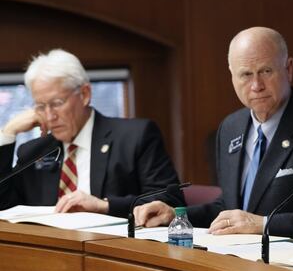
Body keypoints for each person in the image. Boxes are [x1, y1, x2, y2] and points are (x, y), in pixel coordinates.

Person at [134, 27, 293, 244]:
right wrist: (177, 215)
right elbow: (231, 207)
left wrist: (264, 225)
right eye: (245, 74)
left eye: (266, 71)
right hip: (237, 257)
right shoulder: (230, 127)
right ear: (232, 77)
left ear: (289, 68)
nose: (256, 85)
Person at [0, 49, 184, 217]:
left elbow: (170, 202)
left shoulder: (134, 137)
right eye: (41, 106)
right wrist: (7, 134)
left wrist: (104, 206)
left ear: (85, 94)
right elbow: (5, 206)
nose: (49, 116)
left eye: (56, 103)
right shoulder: (34, 152)